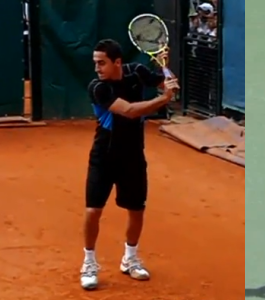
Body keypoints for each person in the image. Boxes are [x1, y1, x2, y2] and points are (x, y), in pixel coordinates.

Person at [80, 39, 179, 290]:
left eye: (101, 63)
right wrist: (165, 99)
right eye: (95, 63)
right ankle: (89, 262)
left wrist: (167, 73)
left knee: (136, 210)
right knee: (93, 210)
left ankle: (130, 259)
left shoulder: (136, 72)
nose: (97, 68)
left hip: (133, 155)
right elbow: (131, 111)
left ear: (117, 62)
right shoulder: (98, 87)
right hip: (103, 157)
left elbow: (161, 80)